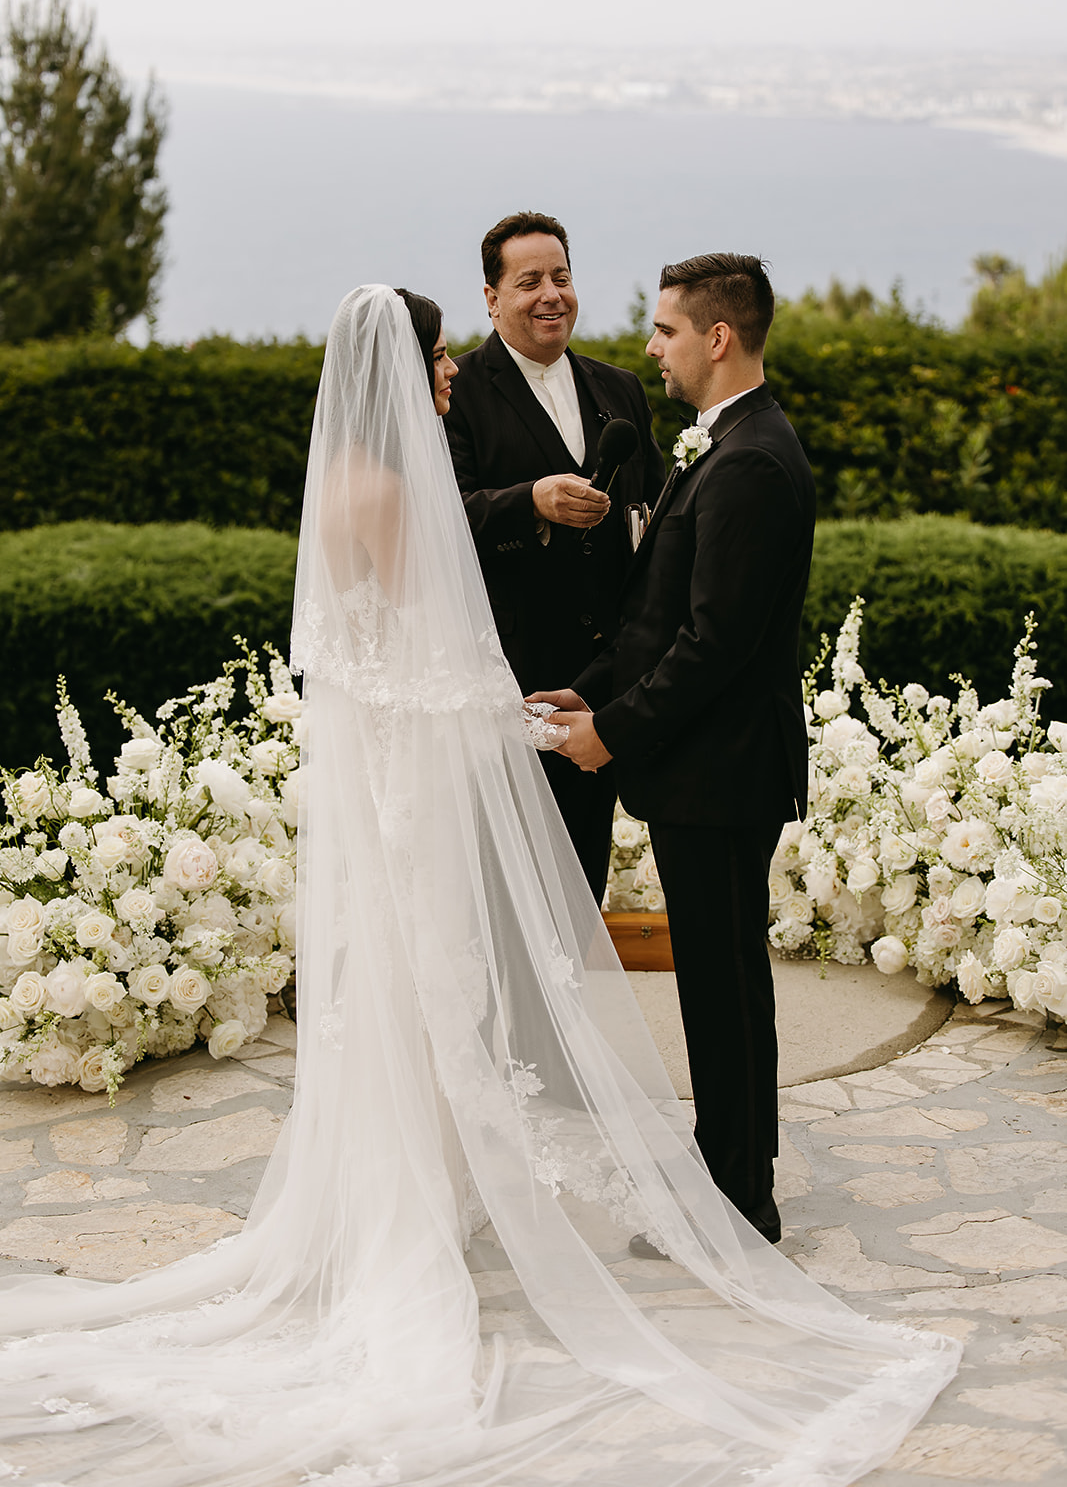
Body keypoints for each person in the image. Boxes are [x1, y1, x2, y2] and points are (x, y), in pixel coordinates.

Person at [0, 285, 958, 1487]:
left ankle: (417, 1188)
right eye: (443, 351)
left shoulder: (352, 485)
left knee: (411, 989)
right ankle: (428, 1208)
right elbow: (418, 664)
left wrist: (552, 710)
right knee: (437, 983)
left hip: (409, 786)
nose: (453, 369)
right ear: (407, 368)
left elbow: (364, 666)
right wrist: (520, 719)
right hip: (422, 786)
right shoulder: (395, 496)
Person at [536, 254, 814, 1249]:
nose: (649, 348)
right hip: (707, 770)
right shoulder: (721, 444)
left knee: (723, 985)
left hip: (722, 772)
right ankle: (726, 1166)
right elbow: (659, 618)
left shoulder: (747, 462)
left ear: (716, 337)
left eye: (663, 330)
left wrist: (606, 735)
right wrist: (590, 689)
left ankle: (738, 1197)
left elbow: (713, 646)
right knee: (713, 979)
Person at [444, 212, 664, 901]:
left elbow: (657, 511)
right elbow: (437, 516)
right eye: (529, 281)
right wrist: (528, 500)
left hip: (601, 681)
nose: (551, 295)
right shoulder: (458, 390)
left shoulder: (618, 388)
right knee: (504, 892)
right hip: (505, 676)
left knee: (577, 889)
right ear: (490, 297)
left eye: (561, 278)